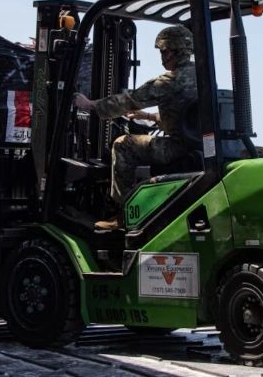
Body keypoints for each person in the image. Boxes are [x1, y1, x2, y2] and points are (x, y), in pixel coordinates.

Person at [73, 25, 197, 230]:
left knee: (122, 144)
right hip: (196, 145)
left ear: (172, 51)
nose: (162, 57)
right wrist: (146, 116)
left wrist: (90, 105)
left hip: (176, 147)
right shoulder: (202, 75)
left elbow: (129, 100)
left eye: (163, 52)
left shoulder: (170, 80)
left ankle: (124, 214)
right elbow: (185, 117)